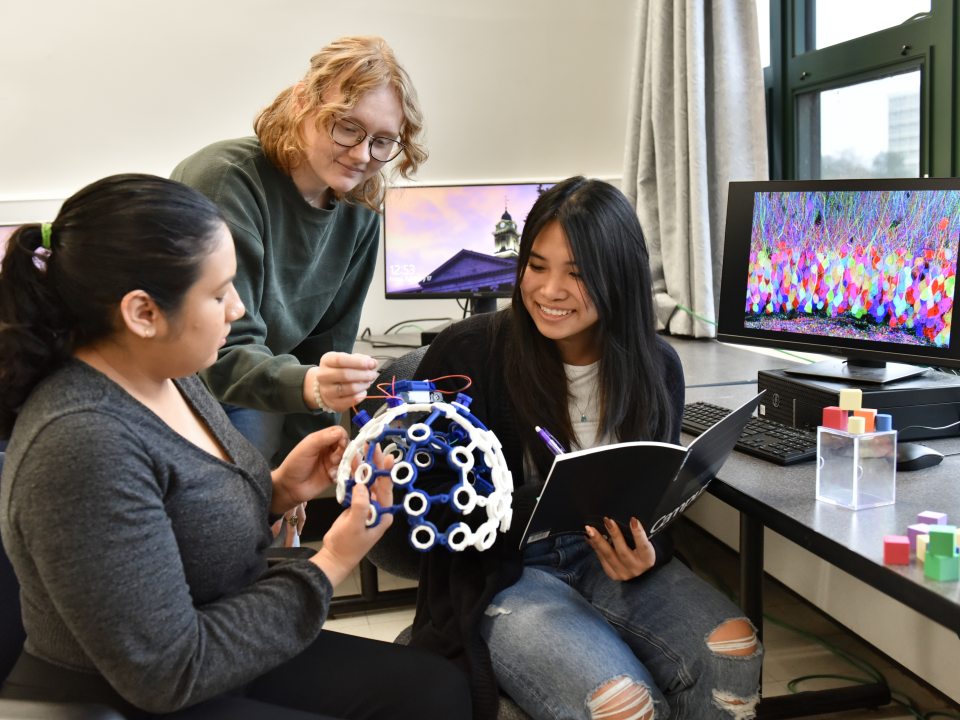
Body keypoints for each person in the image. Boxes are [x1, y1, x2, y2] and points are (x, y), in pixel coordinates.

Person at [0, 174, 471, 720]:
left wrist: (274, 491)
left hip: (214, 639)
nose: (239, 309)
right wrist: (334, 557)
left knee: (436, 691)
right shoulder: (82, 445)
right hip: (140, 691)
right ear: (142, 313)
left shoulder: (169, 372)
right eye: (219, 292)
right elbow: (167, 672)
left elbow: (173, 519)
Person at [398, 177, 763, 719]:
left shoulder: (656, 365)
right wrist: (535, 499)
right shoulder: (470, 350)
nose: (549, 290)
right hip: (504, 570)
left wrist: (649, 549)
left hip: (608, 561)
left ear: (620, 276)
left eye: (578, 273)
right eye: (537, 266)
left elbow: (657, 497)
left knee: (735, 649)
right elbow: (426, 506)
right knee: (626, 705)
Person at [171, 35, 428, 469]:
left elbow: (327, 348)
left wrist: (307, 460)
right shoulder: (227, 181)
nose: (363, 154)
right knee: (246, 495)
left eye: (383, 141)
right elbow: (221, 351)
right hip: (191, 383)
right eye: (347, 126)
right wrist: (312, 387)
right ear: (301, 103)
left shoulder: (359, 208)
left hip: (265, 382)